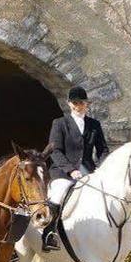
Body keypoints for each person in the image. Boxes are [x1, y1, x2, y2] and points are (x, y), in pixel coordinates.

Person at [42, 85, 108, 245]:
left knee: (109, 193)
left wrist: (103, 168)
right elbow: (55, 151)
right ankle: (49, 232)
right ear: (69, 104)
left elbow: (103, 149)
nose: (79, 106)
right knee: (59, 193)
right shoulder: (60, 123)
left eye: (82, 103)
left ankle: (113, 233)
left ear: (87, 104)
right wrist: (70, 170)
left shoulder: (94, 125)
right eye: (75, 103)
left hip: (87, 169)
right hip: (63, 171)